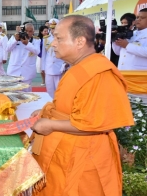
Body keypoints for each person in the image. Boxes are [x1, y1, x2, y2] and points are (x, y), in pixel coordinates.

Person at [31, 15, 134, 196]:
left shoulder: (99, 73)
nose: (53, 44)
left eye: (59, 38)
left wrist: (50, 124)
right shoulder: (79, 66)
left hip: (84, 158)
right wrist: (50, 112)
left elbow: (93, 122)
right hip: (63, 153)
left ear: (79, 41)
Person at [7, 23, 40, 91]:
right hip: (14, 70)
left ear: (33, 32)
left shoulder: (36, 40)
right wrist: (15, 40)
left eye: (30, 31)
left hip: (27, 72)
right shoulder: (15, 37)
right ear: (23, 31)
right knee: (13, 92)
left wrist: (27, 44)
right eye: (26, 31)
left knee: (26, 93)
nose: (28, 33)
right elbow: (7, 49)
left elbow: (37, 52)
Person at [41, 18, 64, 98]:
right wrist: (43, 67)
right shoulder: (46, 38)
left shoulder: (63, 38)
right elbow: (44, 55)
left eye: (54, 28)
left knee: (60, 89)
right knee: (50, 89)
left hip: (59, 67)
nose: (52, 30)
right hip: (49, 67)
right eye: (51, 28)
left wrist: (64, 65)